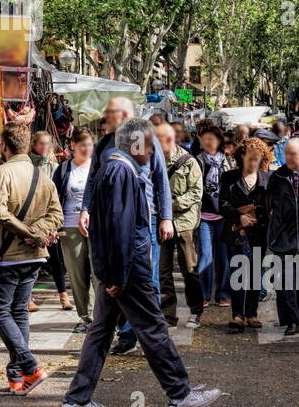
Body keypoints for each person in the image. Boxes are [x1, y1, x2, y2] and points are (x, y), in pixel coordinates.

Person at [60, 118, 222, 407]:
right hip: (128, 269)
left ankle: (78, 398)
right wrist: (117, 276)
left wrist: (110, 273)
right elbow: (119, 229)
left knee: (101, 330)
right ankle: (179, 393)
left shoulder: (116, 168)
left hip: (119, 268)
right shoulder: (121, 171)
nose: (153, 151)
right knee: (152, 328)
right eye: (150, 144)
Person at [79, 96, 173, 356]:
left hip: (145, 221)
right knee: (114, 279)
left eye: (113, 112)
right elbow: (92, 180)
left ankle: (142, 335)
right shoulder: (104, 145)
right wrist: (85, 209)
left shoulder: (144, 141)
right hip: (110, 222)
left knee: (144, 280)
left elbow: (160, 178)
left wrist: (166, 217)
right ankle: (127, 333)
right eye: (107, 112)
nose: (107, 117)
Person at [0, 121, 64, 394]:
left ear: (4, 146)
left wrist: (30, 231)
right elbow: (57, 214)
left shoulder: (0, 173)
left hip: (7, 254)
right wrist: (39, 233)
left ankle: (29, 366)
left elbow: (1, 213)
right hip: (35, 255)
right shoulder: (42, 175)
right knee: (18, 312)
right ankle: (17, 376)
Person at [155, 122, 205, 328]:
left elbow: (196, 193)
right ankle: (168, 315)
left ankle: (196, 310)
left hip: (184, 222)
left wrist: (171, 205)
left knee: (189, 269)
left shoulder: (188, 162)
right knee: (163, 272)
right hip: (161, 223)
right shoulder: (153, 162)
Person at [265, 136, 299, 335]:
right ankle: (292, 320)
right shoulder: (277, 177)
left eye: (293, 154)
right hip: (284, 236)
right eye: (287, 153)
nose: (289, 157)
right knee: (287, 281)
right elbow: (270, 204)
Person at [220, 137, 272, 332]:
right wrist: (239, 216)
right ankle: (237, 315)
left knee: (255, 273)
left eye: (257, 159)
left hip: (259, 232)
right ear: (242, 156)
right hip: (236, 231)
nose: (253, 162)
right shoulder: (229, 177)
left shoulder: (267, 179)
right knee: (237, 273)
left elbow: (271, 205)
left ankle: (251, 314)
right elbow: (222, 204)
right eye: (250, 158)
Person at [54, 129, 97, 331]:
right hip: (70, 225)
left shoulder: (99, 168)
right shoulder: (63, 170)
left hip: (97, 227)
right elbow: (54, 199)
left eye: (89, 144)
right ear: (72, 145)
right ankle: (87, 317)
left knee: (99, 273)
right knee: (77, 274)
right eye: (82, 144)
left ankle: (104, 317)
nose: (86, 148)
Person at [30, 131, 71, 311]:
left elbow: (58, 195)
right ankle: (28, 298)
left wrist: (55, 222)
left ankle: (63, 296)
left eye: (47, 144)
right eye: (41, 144)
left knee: (54, 259)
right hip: (32, 216)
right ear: (34, 145)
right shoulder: (28, 165)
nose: (45, 147)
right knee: (33, 259)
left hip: (50, 216)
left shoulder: (55, 167)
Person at [195, 125, 231, 308]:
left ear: (219, 142)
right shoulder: (197, 161)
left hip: (223, 216)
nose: (208, 142)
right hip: (203, 216)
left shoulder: (227, 162)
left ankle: (223, 293)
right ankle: (204, 294)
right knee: (206, 255)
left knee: (223, 257)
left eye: (212, 139)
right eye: (205, 139)